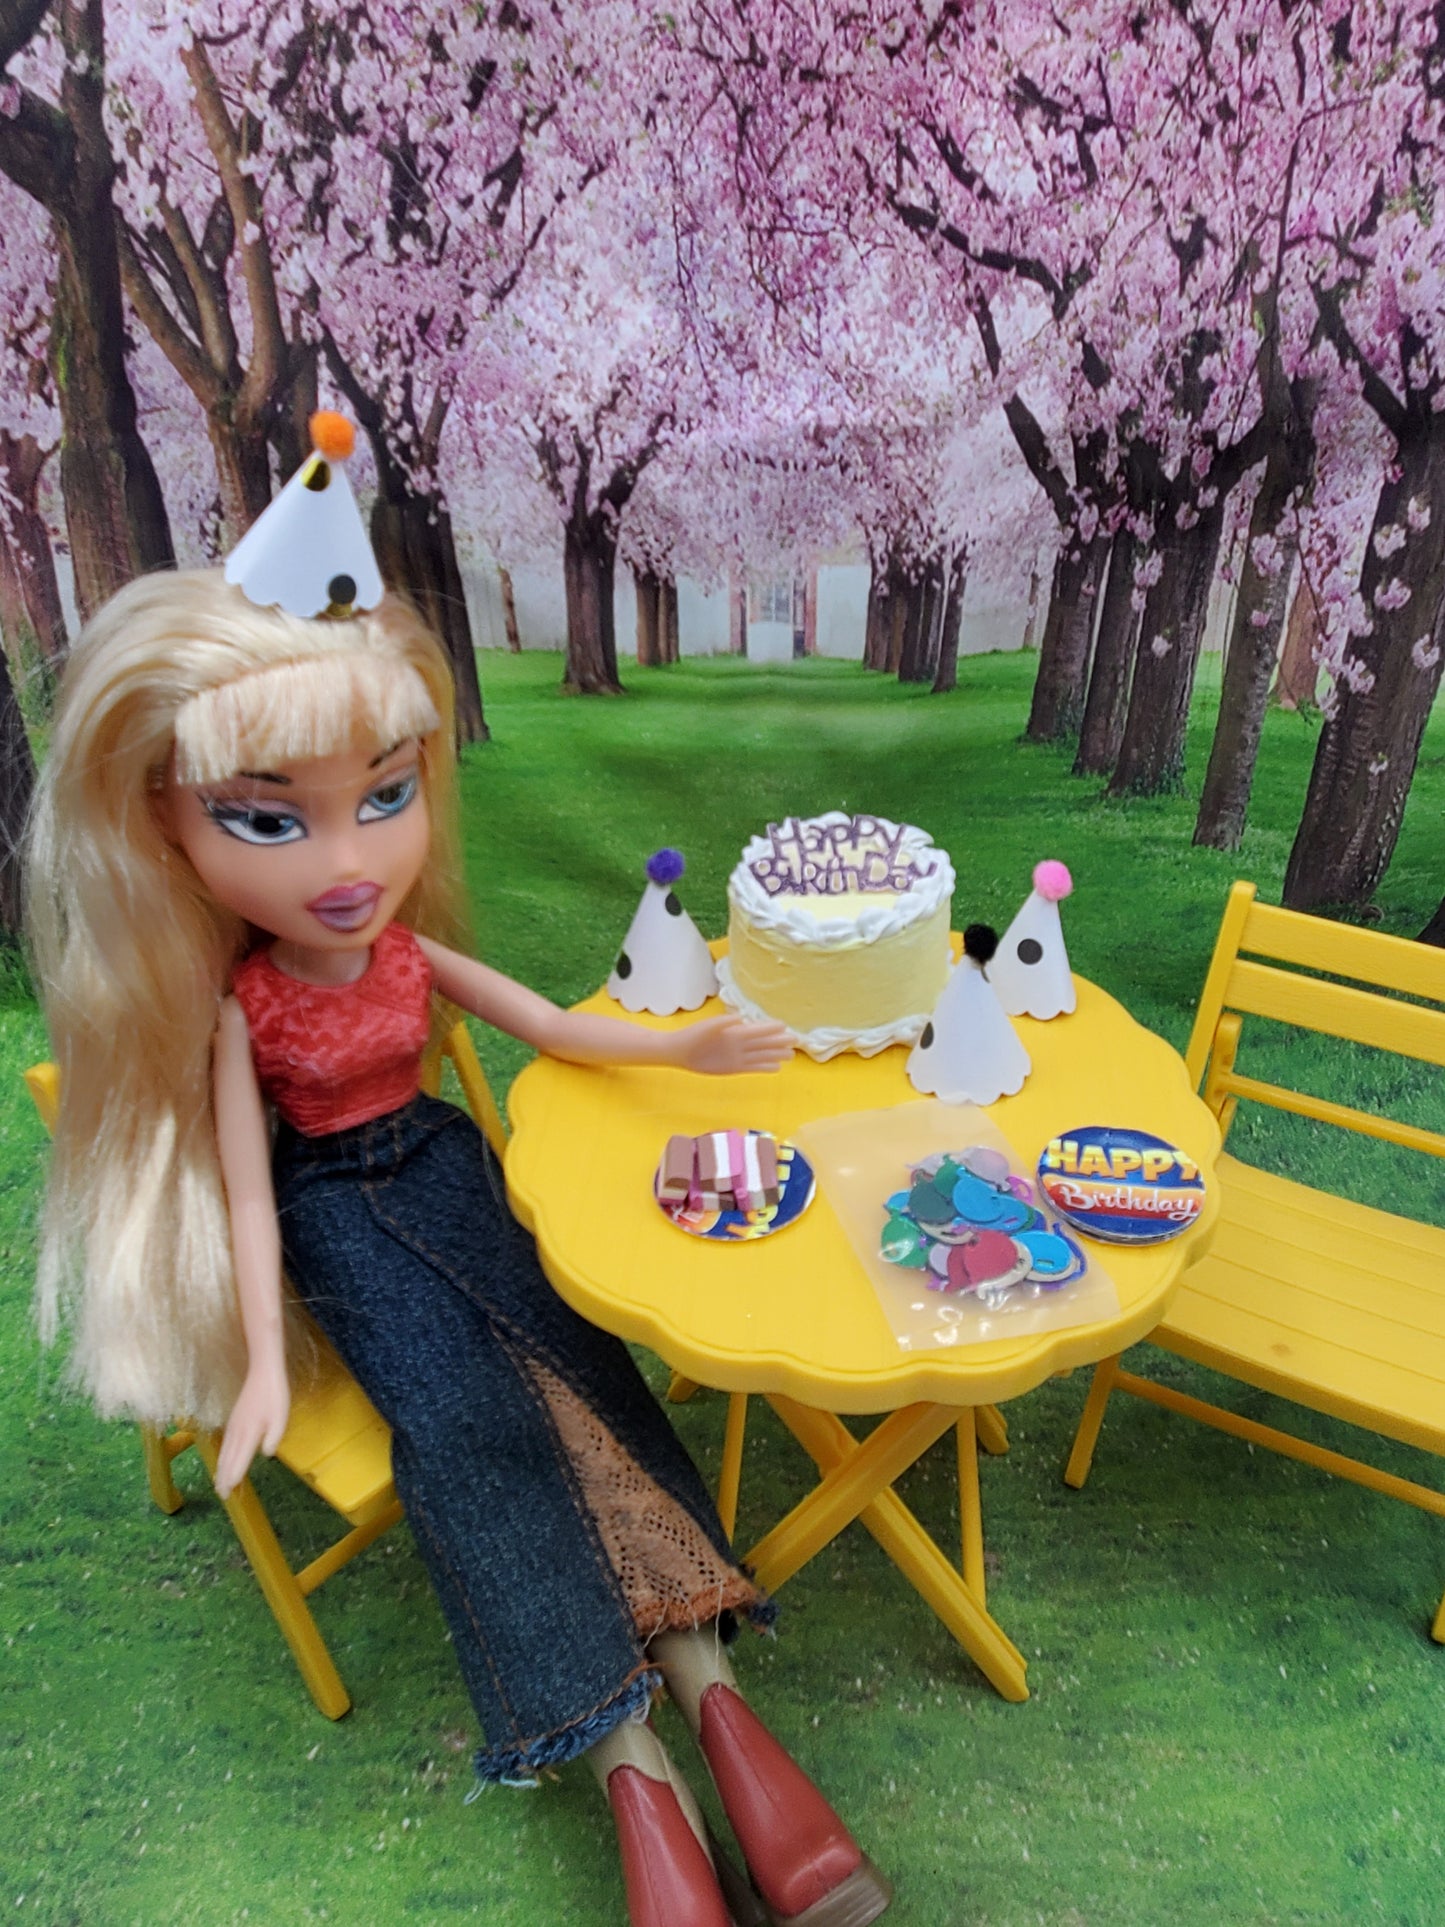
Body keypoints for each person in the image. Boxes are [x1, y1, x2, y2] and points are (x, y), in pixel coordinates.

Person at [26, 420, 891, 1927]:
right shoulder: (242, 1011)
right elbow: (247, 1192)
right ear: (167, 822)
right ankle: (632, 1770)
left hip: (444, 1167)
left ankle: (721, 1709)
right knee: (470, 1439)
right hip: (335, 1219)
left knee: (587, 1375)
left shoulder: (412, 954)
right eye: (266, 817)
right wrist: (260, 1365)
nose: (345, 859)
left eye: (386, 793)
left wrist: (685, 1049)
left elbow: (550, 1022)